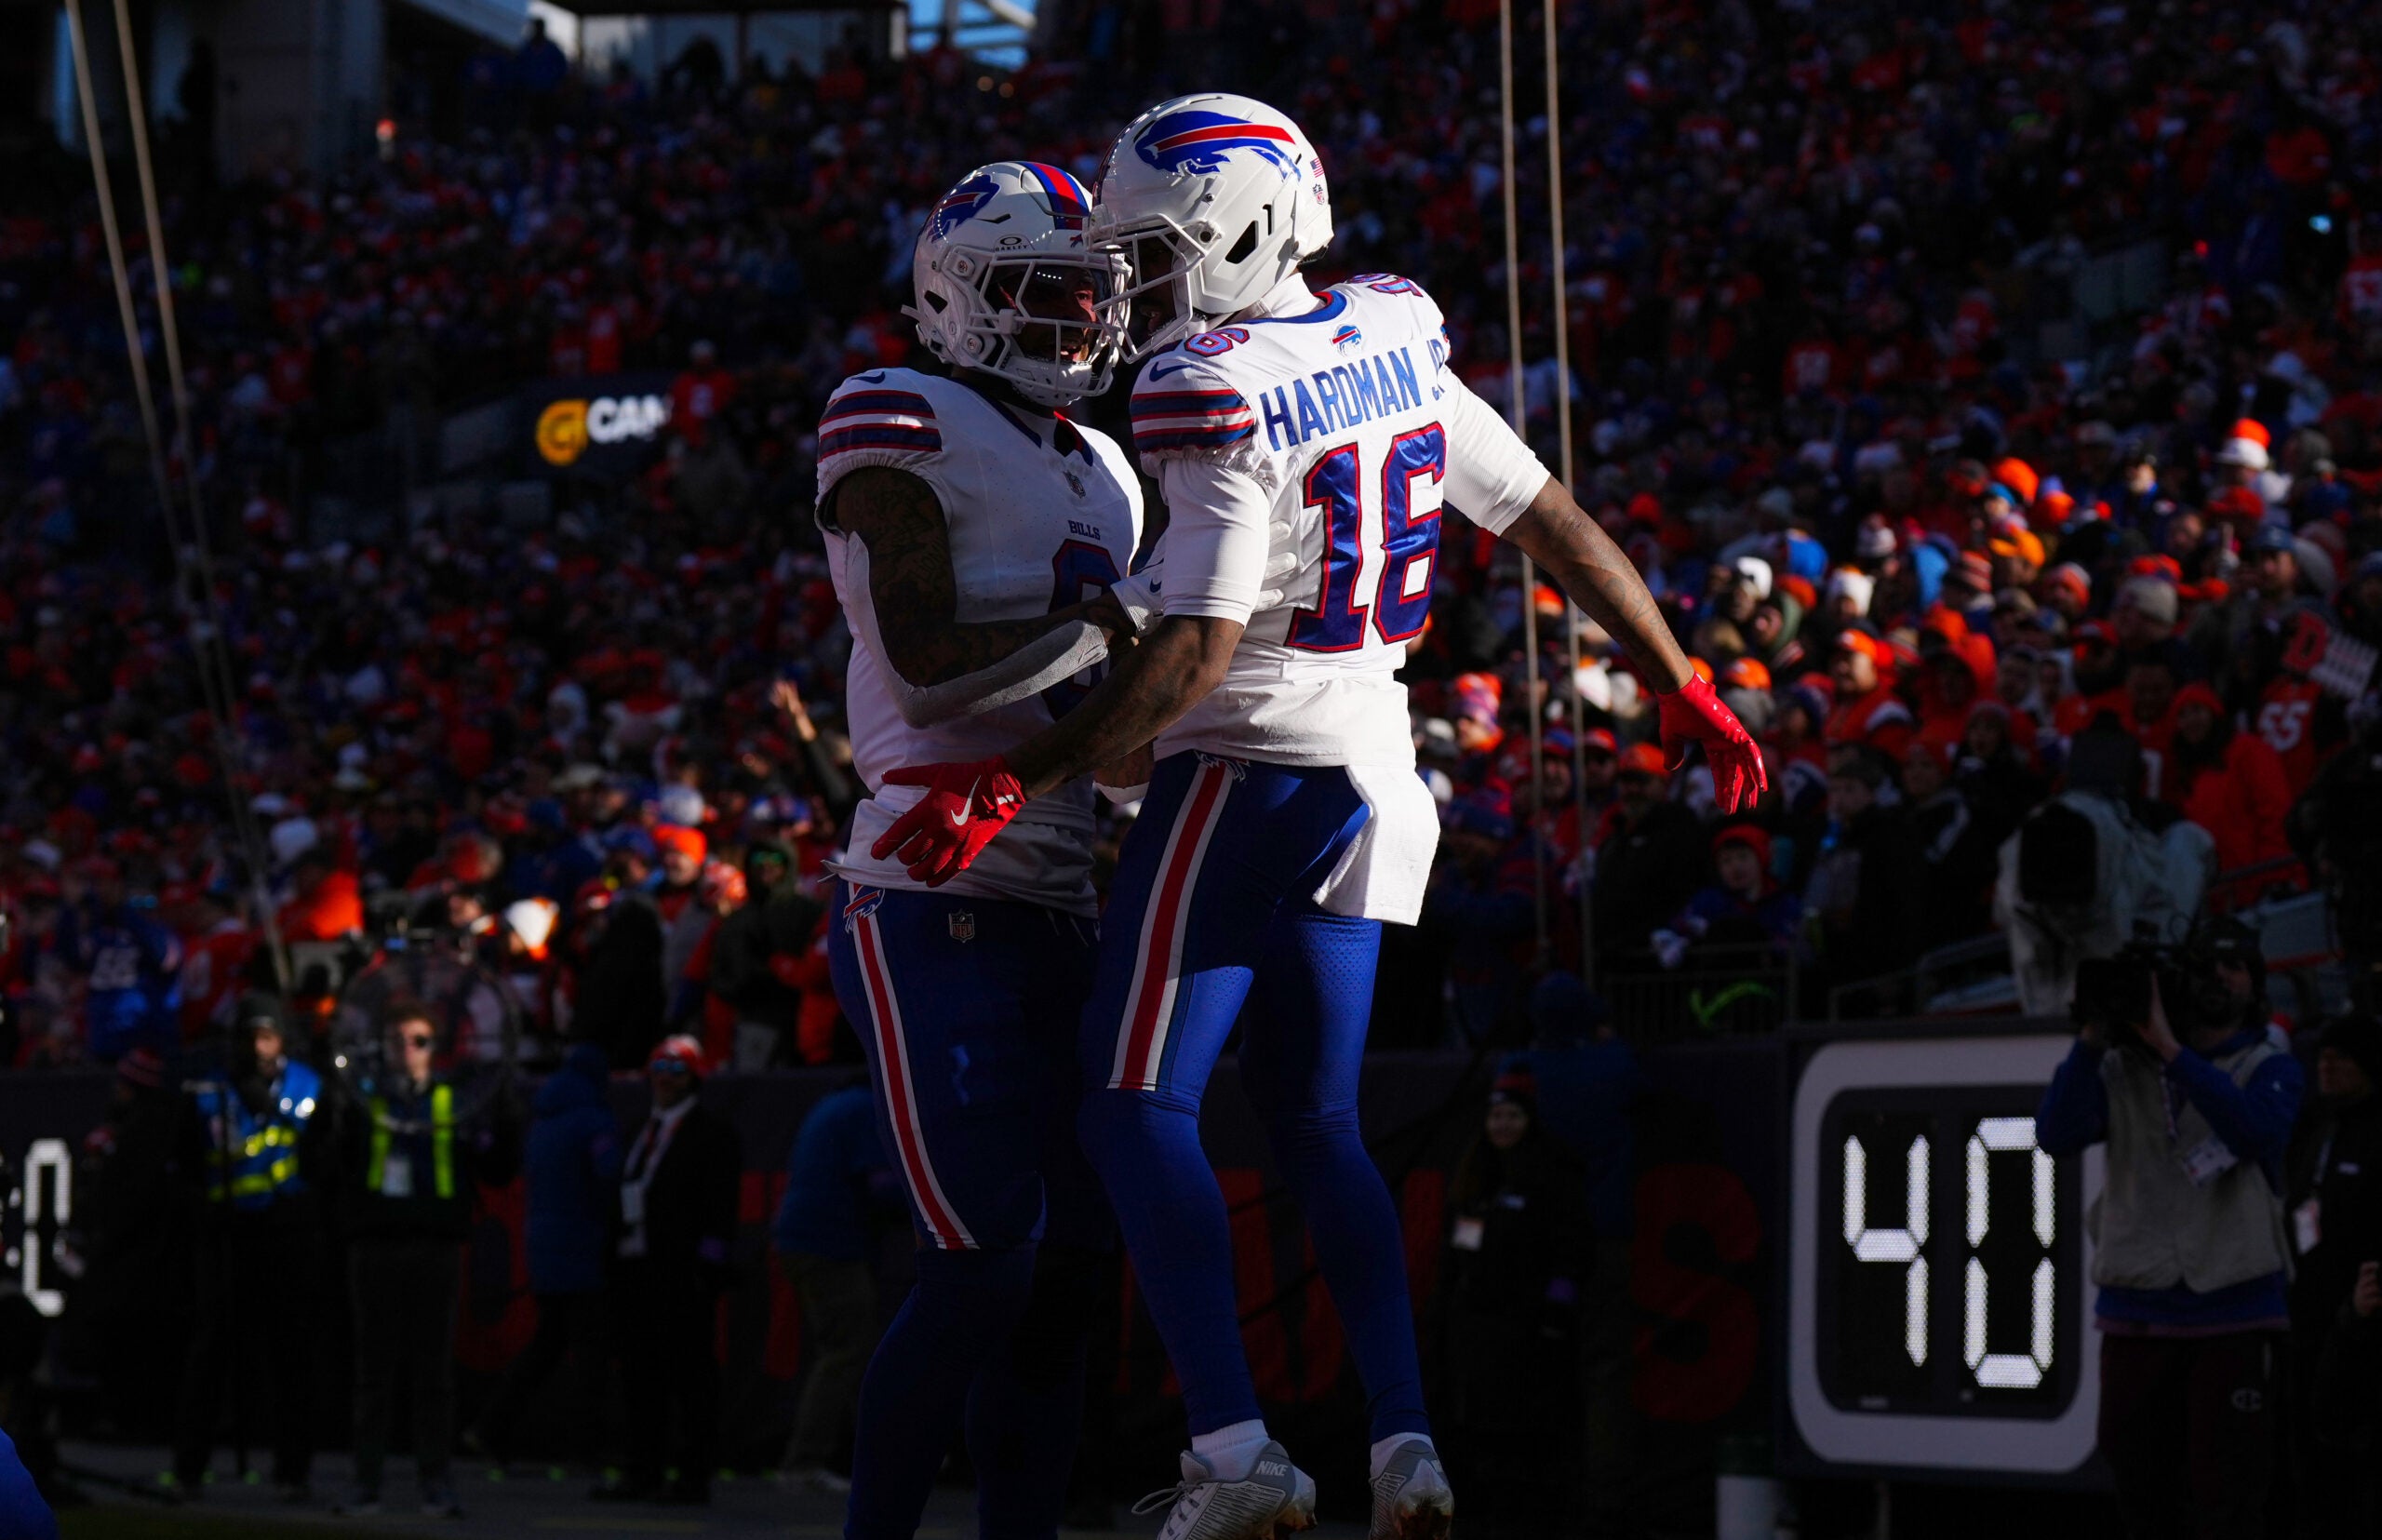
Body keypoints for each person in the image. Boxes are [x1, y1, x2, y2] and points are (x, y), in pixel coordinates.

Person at [872, 93, 1761, 1535]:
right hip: (1378, 774)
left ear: (1241, 228)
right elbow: (1545, 514)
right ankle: (1406, 1445)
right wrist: (1682, 677)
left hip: (1247, 768)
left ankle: (1235, 1451)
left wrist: (1012, 775)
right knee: (1319, 1122)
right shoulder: (1394, 333)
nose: (1136, 286)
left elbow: (1198, 649)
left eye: (1158, 252)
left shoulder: (1216, 384)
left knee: (1126, 1101)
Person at [809, 160, 1143, 1540]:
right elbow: (934, 667)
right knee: (986, 1258)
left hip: (1065, 899)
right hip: (926, 889)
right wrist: (1142, 629)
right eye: (1039, 293)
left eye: (1089, 297)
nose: (1072, 324)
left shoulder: (1114, 465)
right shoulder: (897, 412)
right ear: (955, 295)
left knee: (1072, 1270)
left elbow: (1118, 726)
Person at [2035, 959, 2303, 1540]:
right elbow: (2054, 1134)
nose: (2218, 981)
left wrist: (2173, 1051)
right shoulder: (2117, 1068)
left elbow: (2257, 1133)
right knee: (2139, 1486)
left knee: (2226, 1493)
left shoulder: (2270, 1065)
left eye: (2233, 968)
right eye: (2211, 967)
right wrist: (2090, 1040)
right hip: (2139, 1310)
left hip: (2233, 1308)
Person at [337, 1001, 520, 1519]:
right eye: (397, 1041)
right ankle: (366, 1481)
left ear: (433, 1050)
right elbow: (338, 1164)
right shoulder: (365, 1101)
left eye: (418, 1042)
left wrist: (504, 1121)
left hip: (435, 1246)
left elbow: (497, 1170)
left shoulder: (453, 1102)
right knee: (373, 1370)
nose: (406, 1052)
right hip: (375, 1245)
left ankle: (435, 1480)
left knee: (433, 1371)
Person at [168, 996, 327, 1501]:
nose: (260, 1047)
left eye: (269, 1036)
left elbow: (322, 1155)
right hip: (226, 1234)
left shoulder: (308, 1085)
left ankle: (293, 1470)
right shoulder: (209, 1088)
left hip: (286, 1233)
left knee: (291, 1354)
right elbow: (185, 1164)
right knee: (210, 1353)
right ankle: (189, 1466)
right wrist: (201, 1209)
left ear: (282, 1039)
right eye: (252, 1037)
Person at [1425, 1070, 1588, 1536]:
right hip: (1476, 1330)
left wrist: (1558, 1312)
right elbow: (1456, 1253)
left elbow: (1571, 1250)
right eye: (1496, 1115)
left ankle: (1531, 1513)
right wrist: (1443, 1314)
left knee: (1526, 1427)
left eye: (1512, 1115)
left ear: (1529, 1121)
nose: (1502, 1125)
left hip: (1528, 1329)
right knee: (1477, 1424)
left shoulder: (1551, 1176)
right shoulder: (1476, 1180)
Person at [595, 1035, 740, 1506]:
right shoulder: (640, 1128)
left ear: (694, 1077)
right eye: (658, 1066)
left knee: (691, 1377)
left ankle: (693, 1475)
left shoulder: (712, 1134)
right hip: (636, 1270)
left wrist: (707, 1269)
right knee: (640, 1376)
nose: (664, 1077)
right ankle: (643, 1471)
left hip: (681, 1274)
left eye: (676, 1069)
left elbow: (722, 1211)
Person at [466, 1042, 622, 1472]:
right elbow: (608, 1180)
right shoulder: (593, 1121)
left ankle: (492, 1426)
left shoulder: (544, 1122)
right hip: (582, 1248)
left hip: (544, 1248)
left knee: (548, 1344)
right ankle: (586, 1445)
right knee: (589, 1352)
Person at [772, 1079, 899, 1493]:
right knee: (847, 1350)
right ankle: (804, 1461)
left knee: (849, 1350)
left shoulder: (835, 1105)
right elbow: (880, 1186)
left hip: (807, 1239)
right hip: (829, 1244)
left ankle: (865, 1455)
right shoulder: (866, 1111)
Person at [2284, 1014, 2382, 1535]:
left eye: (2339, 1057)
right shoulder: (2314, 1125)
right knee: (2310, 1464)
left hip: (2363, 1329)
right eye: (2321, 1056)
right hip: (2308, 1323)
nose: (2325, 1065)